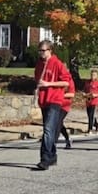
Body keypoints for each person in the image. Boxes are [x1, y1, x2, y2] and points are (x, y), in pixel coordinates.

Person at [33, 40, 71, 170]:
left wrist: (49, 84)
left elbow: (66, 82)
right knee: (49, 129)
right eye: (40, 51)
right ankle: (53, 155)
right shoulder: (39, 64)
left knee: (48, 130)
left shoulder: (58, 64)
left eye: (44, 51)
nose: (41, 53)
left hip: (54, 100)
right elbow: (37, 80)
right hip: (44, 100)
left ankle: (45, 159)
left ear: (50, 51)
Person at [84, 68, 98, 135]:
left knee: (91, 116)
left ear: (97, 76)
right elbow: (85, 91)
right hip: (88, 101)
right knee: (89, 115)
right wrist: (84, 94)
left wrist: (96, 95)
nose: (93, 76)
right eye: (92, 75)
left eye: (94, 75)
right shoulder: (87, 82)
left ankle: (90, 129)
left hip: (94, 101)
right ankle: (97, 125)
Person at [58, 77, 76, 149]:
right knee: (58, 123)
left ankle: (54, 140)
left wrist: (60, 95)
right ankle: (67, 138)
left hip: (65, 106)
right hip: (56, 104)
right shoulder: (57, 79)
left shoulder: (70, 81)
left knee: (58, 121)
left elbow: (72, 94)